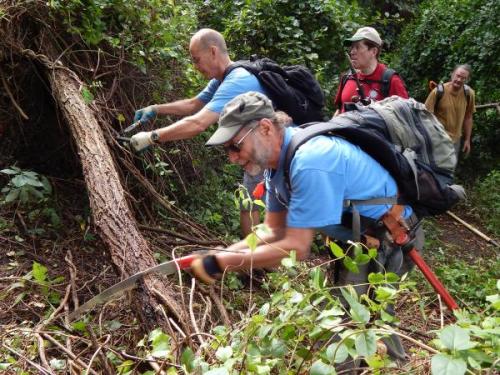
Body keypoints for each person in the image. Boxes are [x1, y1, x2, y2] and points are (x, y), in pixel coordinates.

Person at [189, 91, 425, 365]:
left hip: (392, 237)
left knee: (345, 331)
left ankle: (396, 366)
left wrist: (220, 262)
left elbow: (296, 248)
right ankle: (394, 364)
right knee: (365, 319)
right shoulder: (276, 168)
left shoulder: (311, 161)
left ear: (265, 128)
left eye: (235, 146)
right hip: (363, 240)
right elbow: (270, 231)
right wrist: (220, 255)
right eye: (226, 149)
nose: (232, 157)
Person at [129, 28, 268, 237]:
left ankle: (272, 259)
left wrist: (152, 137)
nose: (195, 67)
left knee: (273, 206)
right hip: (255, 151)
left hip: (272, 148)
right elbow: (193, 104)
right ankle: (254, 263)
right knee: (249, 205)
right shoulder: (221, 79)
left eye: (196, 60)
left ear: (213, 51)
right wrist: (156, 108)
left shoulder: (237, 80)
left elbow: (198, 123)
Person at [333, 27, 408, 114]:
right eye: (352, 47)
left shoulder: (390, 80)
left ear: (373, 51)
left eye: (357, 47)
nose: (352, 52)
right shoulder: (348, 77)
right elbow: (339, 110)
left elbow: (405, 118)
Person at [425, 64, 476, 160]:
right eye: (458, 76)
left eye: (463, 78)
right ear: (452, 75)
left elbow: (468, 117)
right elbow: (426, 116)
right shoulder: (438, 92)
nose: (459, 80)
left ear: (467, 80)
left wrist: (467, 140)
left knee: (449, 170)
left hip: (455, 141)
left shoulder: (469, 94)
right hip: (437, 139)